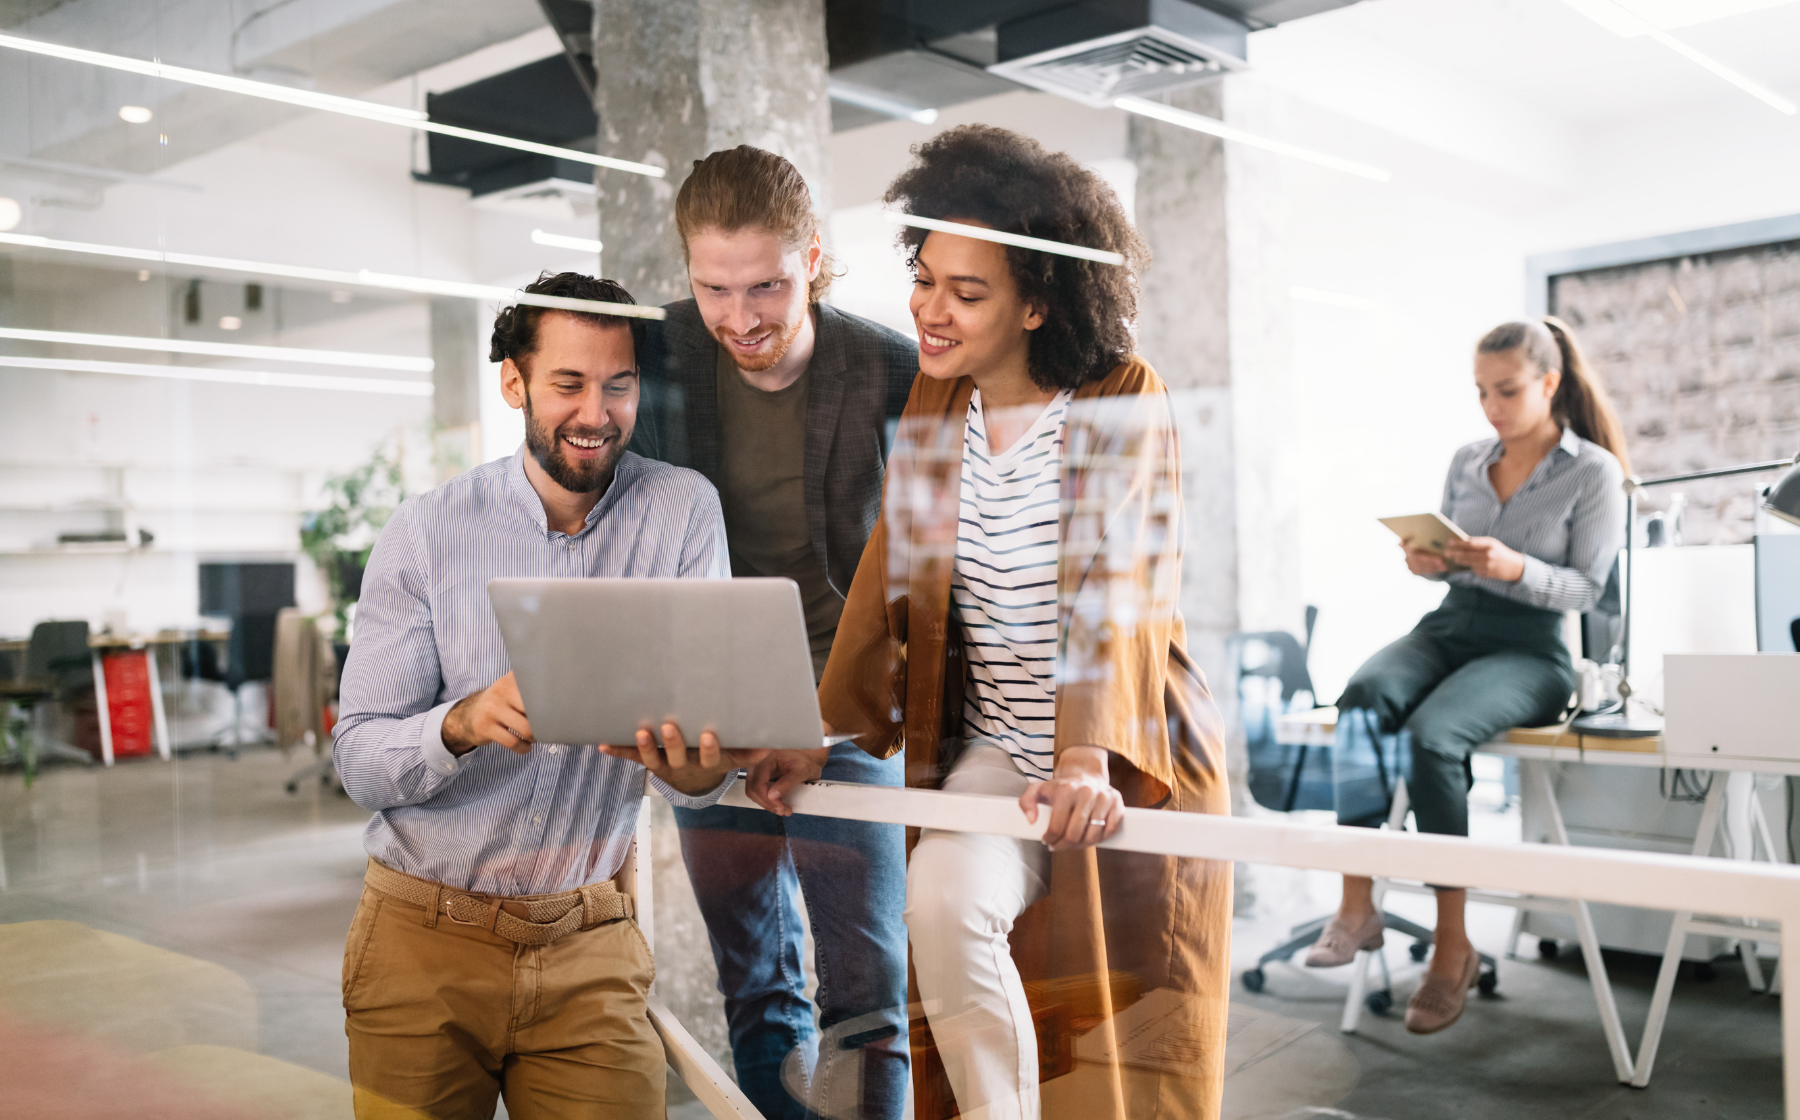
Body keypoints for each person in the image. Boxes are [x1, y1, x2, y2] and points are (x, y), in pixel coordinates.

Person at [745, 125, 1234, 1120]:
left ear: (1037, 302)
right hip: (999, 748)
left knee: (1130, 1036)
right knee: (940, 901)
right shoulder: (938, 402)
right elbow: (893, 574)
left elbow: (1114, 586)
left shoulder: (1120, 393)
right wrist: (818, 730)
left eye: (966, 293)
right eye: (924, 279)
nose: (930, 310)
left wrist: (1086, 757)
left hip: (1124, 749)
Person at [332, 272, 758, 1120]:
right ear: (514, 383)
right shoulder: (427, 531)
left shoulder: (682, 512)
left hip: (588, 945)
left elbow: (699, 778)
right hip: (424, 940)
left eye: (618, 385)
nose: (595, 413)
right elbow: (359, 761)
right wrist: (461, 723)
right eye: (568, 383)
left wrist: (699, 762)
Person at [626, 145, 917, 1120]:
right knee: (755, 983)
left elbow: (929, 583)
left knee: (867, 997)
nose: (741, 317)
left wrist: (835, 721)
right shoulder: (659, 356)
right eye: (714, 288)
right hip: (716, 702)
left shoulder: (889, 370)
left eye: (767, 286)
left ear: (814, 259)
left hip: (848, 708)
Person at [1305, 316, 1630, 1036]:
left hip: (1532, 649)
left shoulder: (1593, 472)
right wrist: (1428, 561)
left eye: (1507, 391)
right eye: (1481, 391)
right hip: (1451, 626)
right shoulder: (1466, 460)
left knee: (1432, 737)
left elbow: (1590, 590)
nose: (1491, 407)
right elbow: (1448, 563)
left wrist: (1519, 568)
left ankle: (1453, 945)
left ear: (1549, 383)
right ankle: (1356, 904)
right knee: (1361, 697)